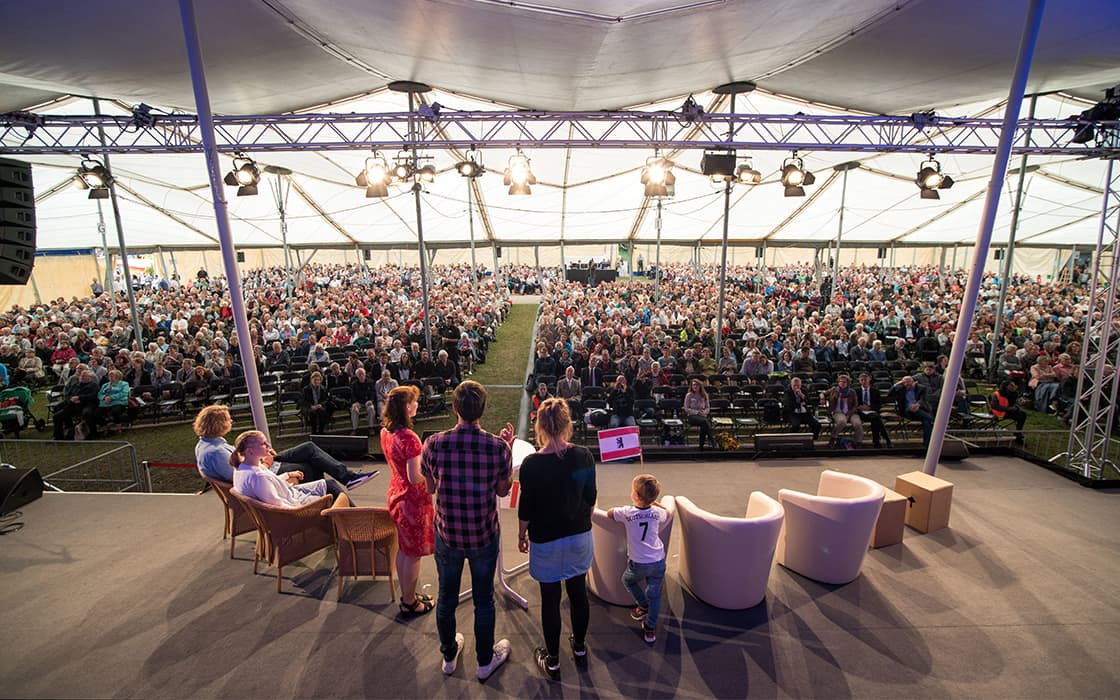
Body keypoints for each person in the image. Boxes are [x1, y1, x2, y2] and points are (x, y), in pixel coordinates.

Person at [421, 381, 513, 681]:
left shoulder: (433, 443)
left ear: (454, 408)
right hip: (483, 534)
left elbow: (431, 487)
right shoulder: (497, 447)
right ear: (483, 409)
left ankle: (448, 656)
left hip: (448, 533)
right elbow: (502, 491)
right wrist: (507, 450)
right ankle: (485, 662)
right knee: (483, 600)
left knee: (446, 598)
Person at [516, 398, 597, 680]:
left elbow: (526, 507)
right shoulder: (584, 456)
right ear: (567, 425)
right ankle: (579, 647)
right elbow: (590, 498)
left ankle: (552, 661)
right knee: (578, 593)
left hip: (546, 540)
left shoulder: (531, 465)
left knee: (550, 600)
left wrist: (521, 534)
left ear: (539, 426)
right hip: (578, 536)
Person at [193, 405, 374, 489]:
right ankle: (327, 495)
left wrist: (261, 456)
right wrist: (265, 462)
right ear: (217, 424)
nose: (231, 421)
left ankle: (348, 478)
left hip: (264, 464)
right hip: (269, 474)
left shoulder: (206, 444)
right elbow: (242, 477)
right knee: (312, 464)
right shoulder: (215, 452)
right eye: (227, 419)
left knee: (309, 448)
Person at [380, 385, 435, 616]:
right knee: (412, 555)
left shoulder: (386, 432)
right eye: (414, 401)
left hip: (396, 494)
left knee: (404, 551)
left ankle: (407, 595)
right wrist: (432, 473)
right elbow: (415, 477)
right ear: (406, 407)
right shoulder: (409, 438)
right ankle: (410, 603)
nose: (417, 405)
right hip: (412, 502)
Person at [607, 474, 671, 645]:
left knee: (627, 580)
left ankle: (642, 605)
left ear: (636, 495)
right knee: (655, 594)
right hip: (658, 561)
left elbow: (609, 513)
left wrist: (623, 508)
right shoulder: (657, 512)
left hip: (638, 564)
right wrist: (654, 503)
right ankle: (650, 627)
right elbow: (669, 513)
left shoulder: (627, 512)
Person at [229, 430, 347, 506]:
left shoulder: (243, 467)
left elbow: (270, 485)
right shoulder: (257, 477)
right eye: (263, 444)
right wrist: (313, 502)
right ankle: (354, 525)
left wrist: (288, 475)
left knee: (330, 484)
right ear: (250, 451)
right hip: (296, 508)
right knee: (339, 498)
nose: (268, 446)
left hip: (291, 494)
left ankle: (354, 520)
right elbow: (278, 505)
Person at [890, 375, 934, 446]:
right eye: (905, 382)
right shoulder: (901, 389)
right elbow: (890, 394)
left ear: (913, 382)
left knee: (927, 422)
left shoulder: (922, 388)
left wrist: (918, 405)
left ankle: (927, 444)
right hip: (907, 411)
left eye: (909, 382)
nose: (907, 384)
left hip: (920, 409)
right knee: (929, 418)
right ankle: (929, 444)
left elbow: (924, 399)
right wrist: (896, 384)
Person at [855, 372, 892, 448]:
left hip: (872, 411)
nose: (864, 382)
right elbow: (852, 403)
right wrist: (859, 407)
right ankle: (883, 440)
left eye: (865, 380)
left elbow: (878, 405)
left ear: (869, 380)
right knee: (876, 419)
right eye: (862, 380)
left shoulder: (875, 391)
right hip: (860, 413)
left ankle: (878, 441)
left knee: (875, 418)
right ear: (859, 381)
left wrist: (870, 407)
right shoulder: (856, 391)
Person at [827, 374, 864, 447]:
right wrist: (822, 397)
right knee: (842, 421)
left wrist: (849, 414)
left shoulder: (852, 392)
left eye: (844, 382)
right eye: (841, 382)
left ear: (847, 383)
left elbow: (855, 405)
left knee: (858, 424)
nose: (842, 383)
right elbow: (824, 393)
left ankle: (858, 442)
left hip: (851, 412)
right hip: (838, 412)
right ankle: (833, 437)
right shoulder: (834, 390)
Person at [683, 378, 714, 450]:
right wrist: (697, 412)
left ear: (700, 386)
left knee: (704, 424)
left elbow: (708, 408)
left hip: (702, 416)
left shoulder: (704, 395)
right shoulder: (689, 395)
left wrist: (704, 412)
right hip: (692, 416)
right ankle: (712, 440)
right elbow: (686, 408)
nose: (695, 386)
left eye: (697, 385)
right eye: (693, 385)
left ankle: (701, 446)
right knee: (705, 422)